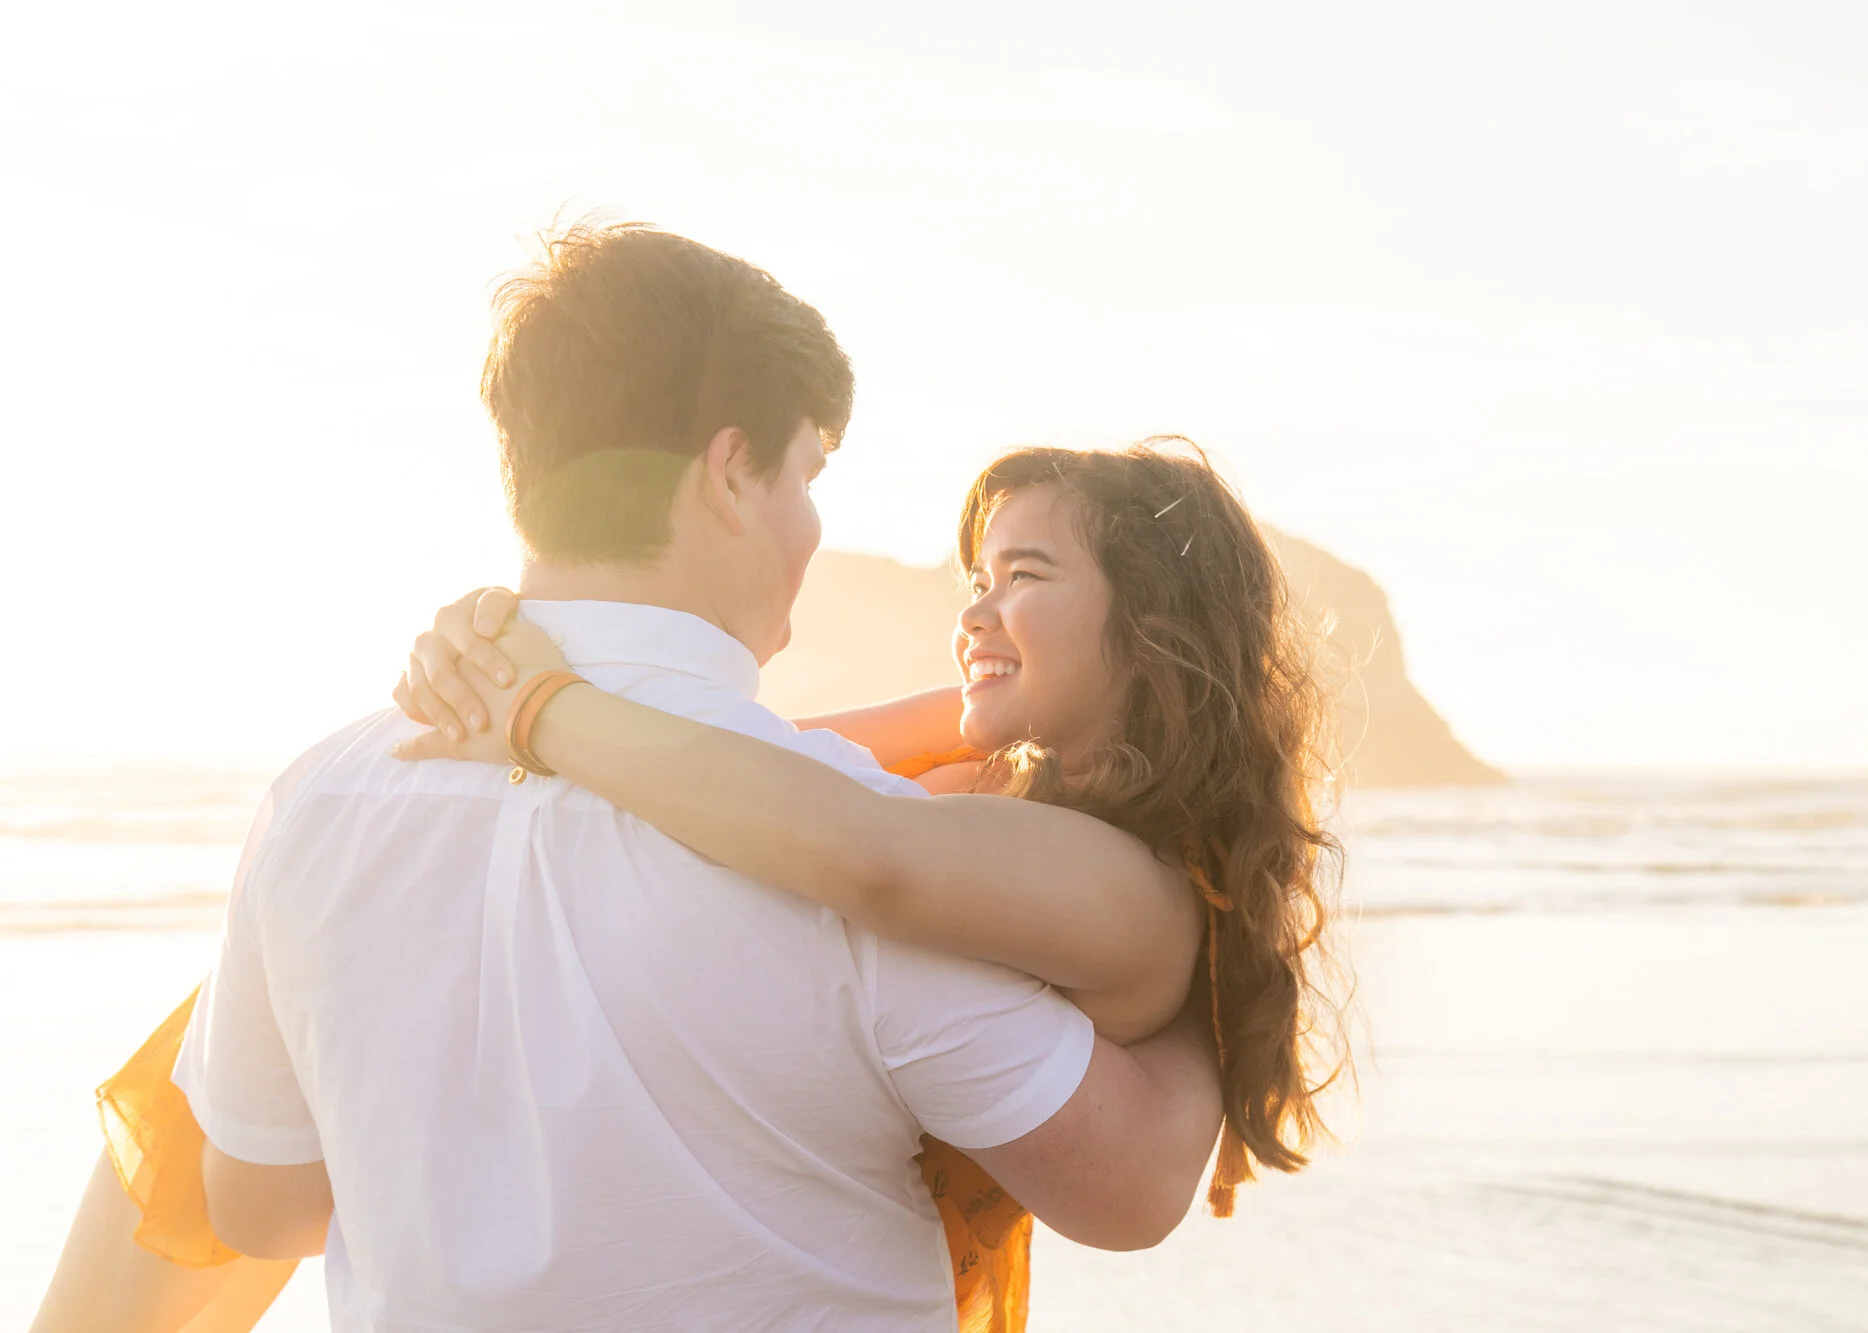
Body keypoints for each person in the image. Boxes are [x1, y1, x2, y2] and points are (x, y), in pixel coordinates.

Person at [32, 221, 1232, 1333]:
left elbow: (260, 1210)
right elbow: (1125, 1186)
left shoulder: (319, 802)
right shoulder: (847, 856)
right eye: (804, 476)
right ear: (728, 473)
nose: (810, 528)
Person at [388, 437, 1353, 1329]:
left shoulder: (1125, 883)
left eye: (1024, 576)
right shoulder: (1012, 787)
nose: (973, 612)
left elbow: (861, 848)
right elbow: (763, 762)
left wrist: (532, 704)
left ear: (1150, 629)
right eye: (976, 581)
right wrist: (501, 661)